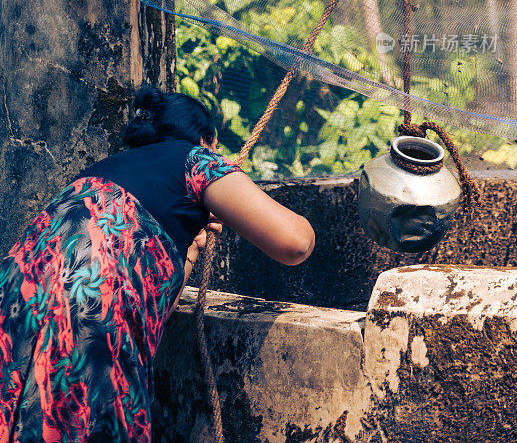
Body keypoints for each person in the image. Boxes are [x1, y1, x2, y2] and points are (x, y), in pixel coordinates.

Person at [0, 86, 315, 443]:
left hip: (11, 312)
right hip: (91, 323)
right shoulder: (195, 158)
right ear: (203, 139)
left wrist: (191, 249)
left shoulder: (96, 174)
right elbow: (295, 243)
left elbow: (150, 295)